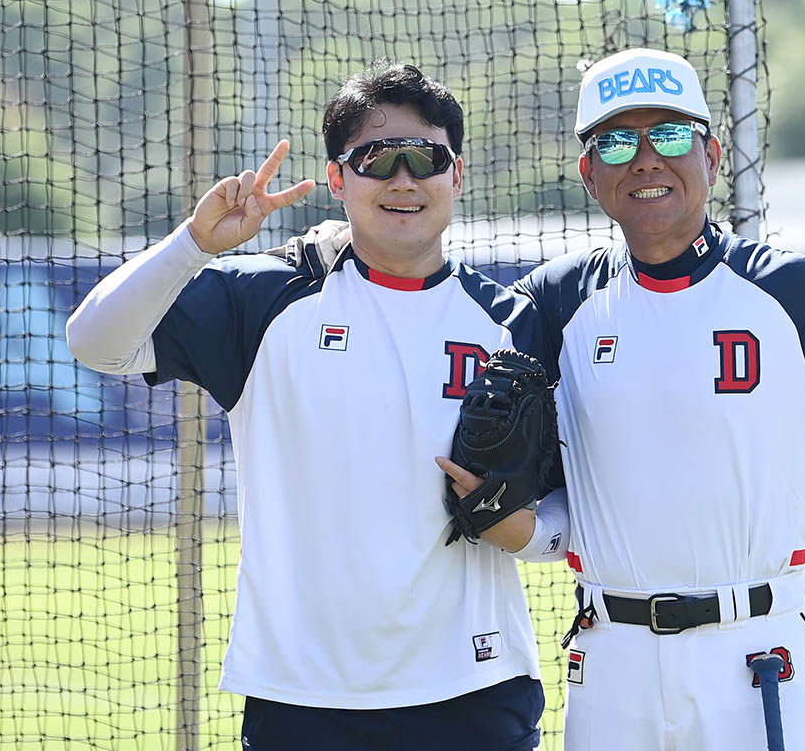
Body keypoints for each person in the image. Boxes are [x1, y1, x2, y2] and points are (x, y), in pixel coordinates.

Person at [285, 49, 805, 751]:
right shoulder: (554, 302)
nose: (645, 160)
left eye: (669, 136)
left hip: (757, 654)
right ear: (589, 173)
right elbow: (442, 311)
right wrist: (346, 243)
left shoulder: (788, 292)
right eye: (616, 142)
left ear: (710, 154)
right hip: (610, 662)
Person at [66, 61, 569, 751]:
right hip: (304, 702)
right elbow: (93, 340)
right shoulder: (263, 299)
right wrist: (192, 246)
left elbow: (574, 511)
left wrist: (526, 534)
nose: (401, 178)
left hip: (476, 692)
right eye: (374, 157)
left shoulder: (515, 325)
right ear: (337, 179)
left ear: (458, 174)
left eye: (425, 157)